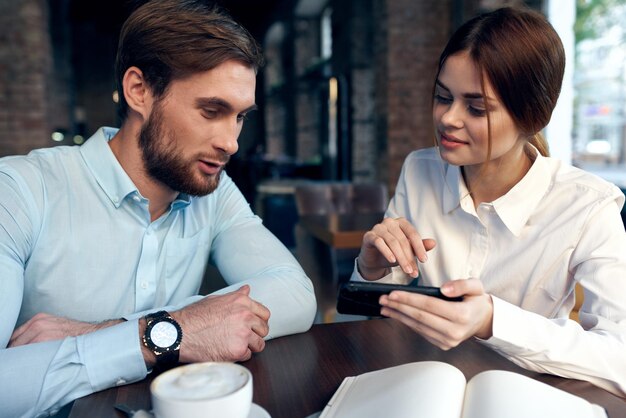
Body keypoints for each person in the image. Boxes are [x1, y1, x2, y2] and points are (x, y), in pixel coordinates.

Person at [0, 1, 316, 416]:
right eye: (211, 111)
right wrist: (176, 331)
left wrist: (121, 332)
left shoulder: (214, 193)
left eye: (239, 116)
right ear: (139, 91)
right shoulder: (21, 190)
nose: (231, 142)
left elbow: (296, 293)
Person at [354, 6, 626, 397]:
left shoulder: (588, 206)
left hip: (524, 397)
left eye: (476, 108)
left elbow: (620, 357)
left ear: (533, 116)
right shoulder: (420, 170)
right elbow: (378, 308)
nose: (448, 118)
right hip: (424, 385)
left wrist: (493, 320)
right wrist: (371, 268)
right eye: (442, 97)